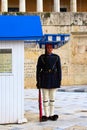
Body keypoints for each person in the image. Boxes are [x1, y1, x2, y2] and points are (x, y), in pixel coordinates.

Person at [36, 43, 62, 121]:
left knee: (52, 98)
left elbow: (59, 70)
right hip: (44, 79)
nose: (49, 49)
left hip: (54, 79)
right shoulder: (41, 57)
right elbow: (38, 70)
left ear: (52, 49)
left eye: (51, 48)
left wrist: (59, 79)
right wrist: (38, 80)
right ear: (46, 48)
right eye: (48, 48)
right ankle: (46, 115)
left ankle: (51, 114)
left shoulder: (56, 57)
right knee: (45, 98)